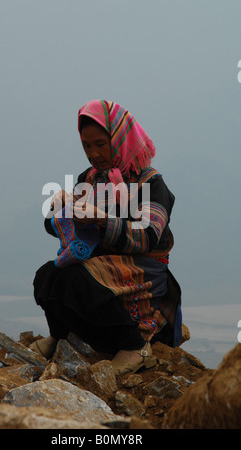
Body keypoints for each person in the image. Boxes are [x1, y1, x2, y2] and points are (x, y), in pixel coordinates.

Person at [31, 100, 182, 377]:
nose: (94, 154)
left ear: (122, 139)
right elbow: (62, 228)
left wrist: (102, 219)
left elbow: (148, 236)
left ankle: (134, 346)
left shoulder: (151, 184)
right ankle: (61, 335)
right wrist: (61, 209)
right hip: (99, 269)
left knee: (79, 281)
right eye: (87, 146)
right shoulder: (90, 179)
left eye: (101, 144)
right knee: (48, 275)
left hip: (144, 274)